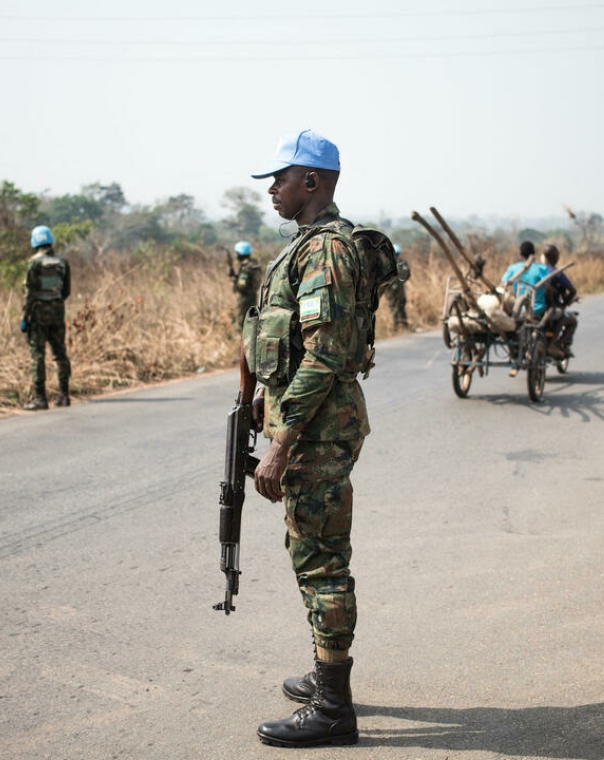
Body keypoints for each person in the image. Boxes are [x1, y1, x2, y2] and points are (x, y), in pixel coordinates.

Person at [244, 129, 369, 748]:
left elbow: (323, 357)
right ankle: (326, 677)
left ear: (312, 182)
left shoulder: (325, 254)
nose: (272, 189)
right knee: (309, 552)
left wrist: (282, 441)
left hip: (316, 433)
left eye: (281, 178)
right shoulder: (304, 249)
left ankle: (335, 709)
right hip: (309, 427)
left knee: (322, 561)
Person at [20, 225, 71, 410]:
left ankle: (40, 398)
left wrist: (25, 317)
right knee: (60, 354)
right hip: (58, 312)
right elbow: (66, 291)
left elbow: (29, 293)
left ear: (35, 242)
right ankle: (64, 395)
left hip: (38, 314)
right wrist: (54, 303)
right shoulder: (62, 262)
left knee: (38, 355)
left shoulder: (34, 263)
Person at [501, 241, 550, 376]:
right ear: (533, 253)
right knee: (537, 325)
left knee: (517, 327)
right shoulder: (541, 269)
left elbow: (504, 283)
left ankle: (516, 351)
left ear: (521, 254)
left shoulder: (512, 268)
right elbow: (549, 286)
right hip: (537, 308)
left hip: (518, 308)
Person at [541, 244, 578, 357]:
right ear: (556, 259)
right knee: (572, 321)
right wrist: (563, 304)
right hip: (551, 308)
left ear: (543, 257)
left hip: (533, 308)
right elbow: (572, 291)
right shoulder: (557, 273)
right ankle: (556, 344)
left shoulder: (537, 270)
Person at [230, 240, 262, 331]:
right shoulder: (253, 265)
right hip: (252, 297)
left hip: (244, 299)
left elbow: (242, 285)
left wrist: (234, 279)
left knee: (242, 322)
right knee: (250, 320)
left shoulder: (246, 268)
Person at [384, 243, 411, 329]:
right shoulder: (403, 263)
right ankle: (404, 324)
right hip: (400, 288)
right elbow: (408, 275)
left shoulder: (386, 263)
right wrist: (402, 282)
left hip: (389, 288)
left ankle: (395, 326)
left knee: (392, 306)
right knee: (401, 305)